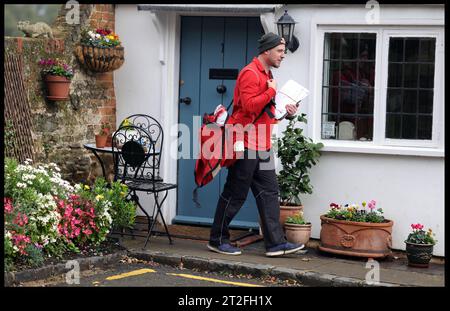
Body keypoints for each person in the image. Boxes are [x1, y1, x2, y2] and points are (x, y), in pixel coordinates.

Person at [207, 32, 304, 257]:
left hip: (262, 143)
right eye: (280, 51)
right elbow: (249, 107)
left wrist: (286, 112)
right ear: (267, 51)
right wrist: (271, 90)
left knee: (269, 192)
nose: (283, 56)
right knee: (236, 193)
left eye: (284, 52)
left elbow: (264, 112)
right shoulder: (250, 73)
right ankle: (217, 239)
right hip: (244, 142)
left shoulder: (266, 74)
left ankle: (276, 243)